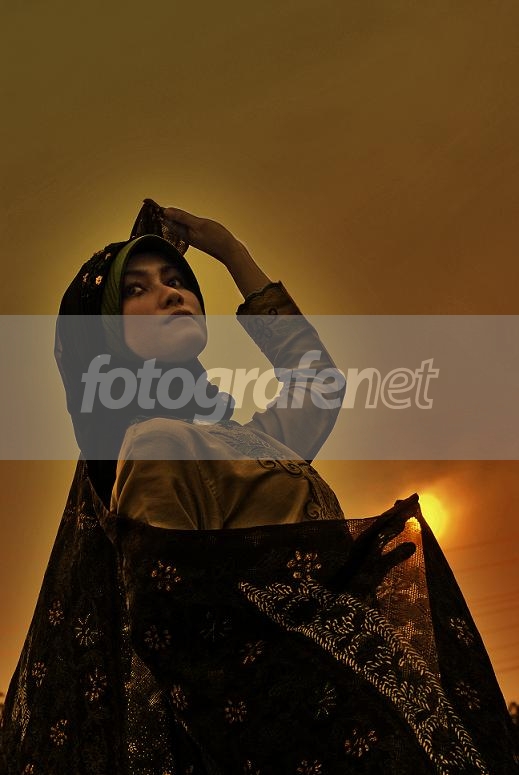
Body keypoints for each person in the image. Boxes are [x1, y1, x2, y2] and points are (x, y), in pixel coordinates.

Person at [1, 200, 517, 774]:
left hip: (349, 706)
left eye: (177, 281)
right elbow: (183, 643)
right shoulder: (156, 446)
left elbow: (319, 383)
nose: (171, 294)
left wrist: (231, 252)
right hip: (295, 737)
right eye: (136, 290)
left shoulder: (243, 441)